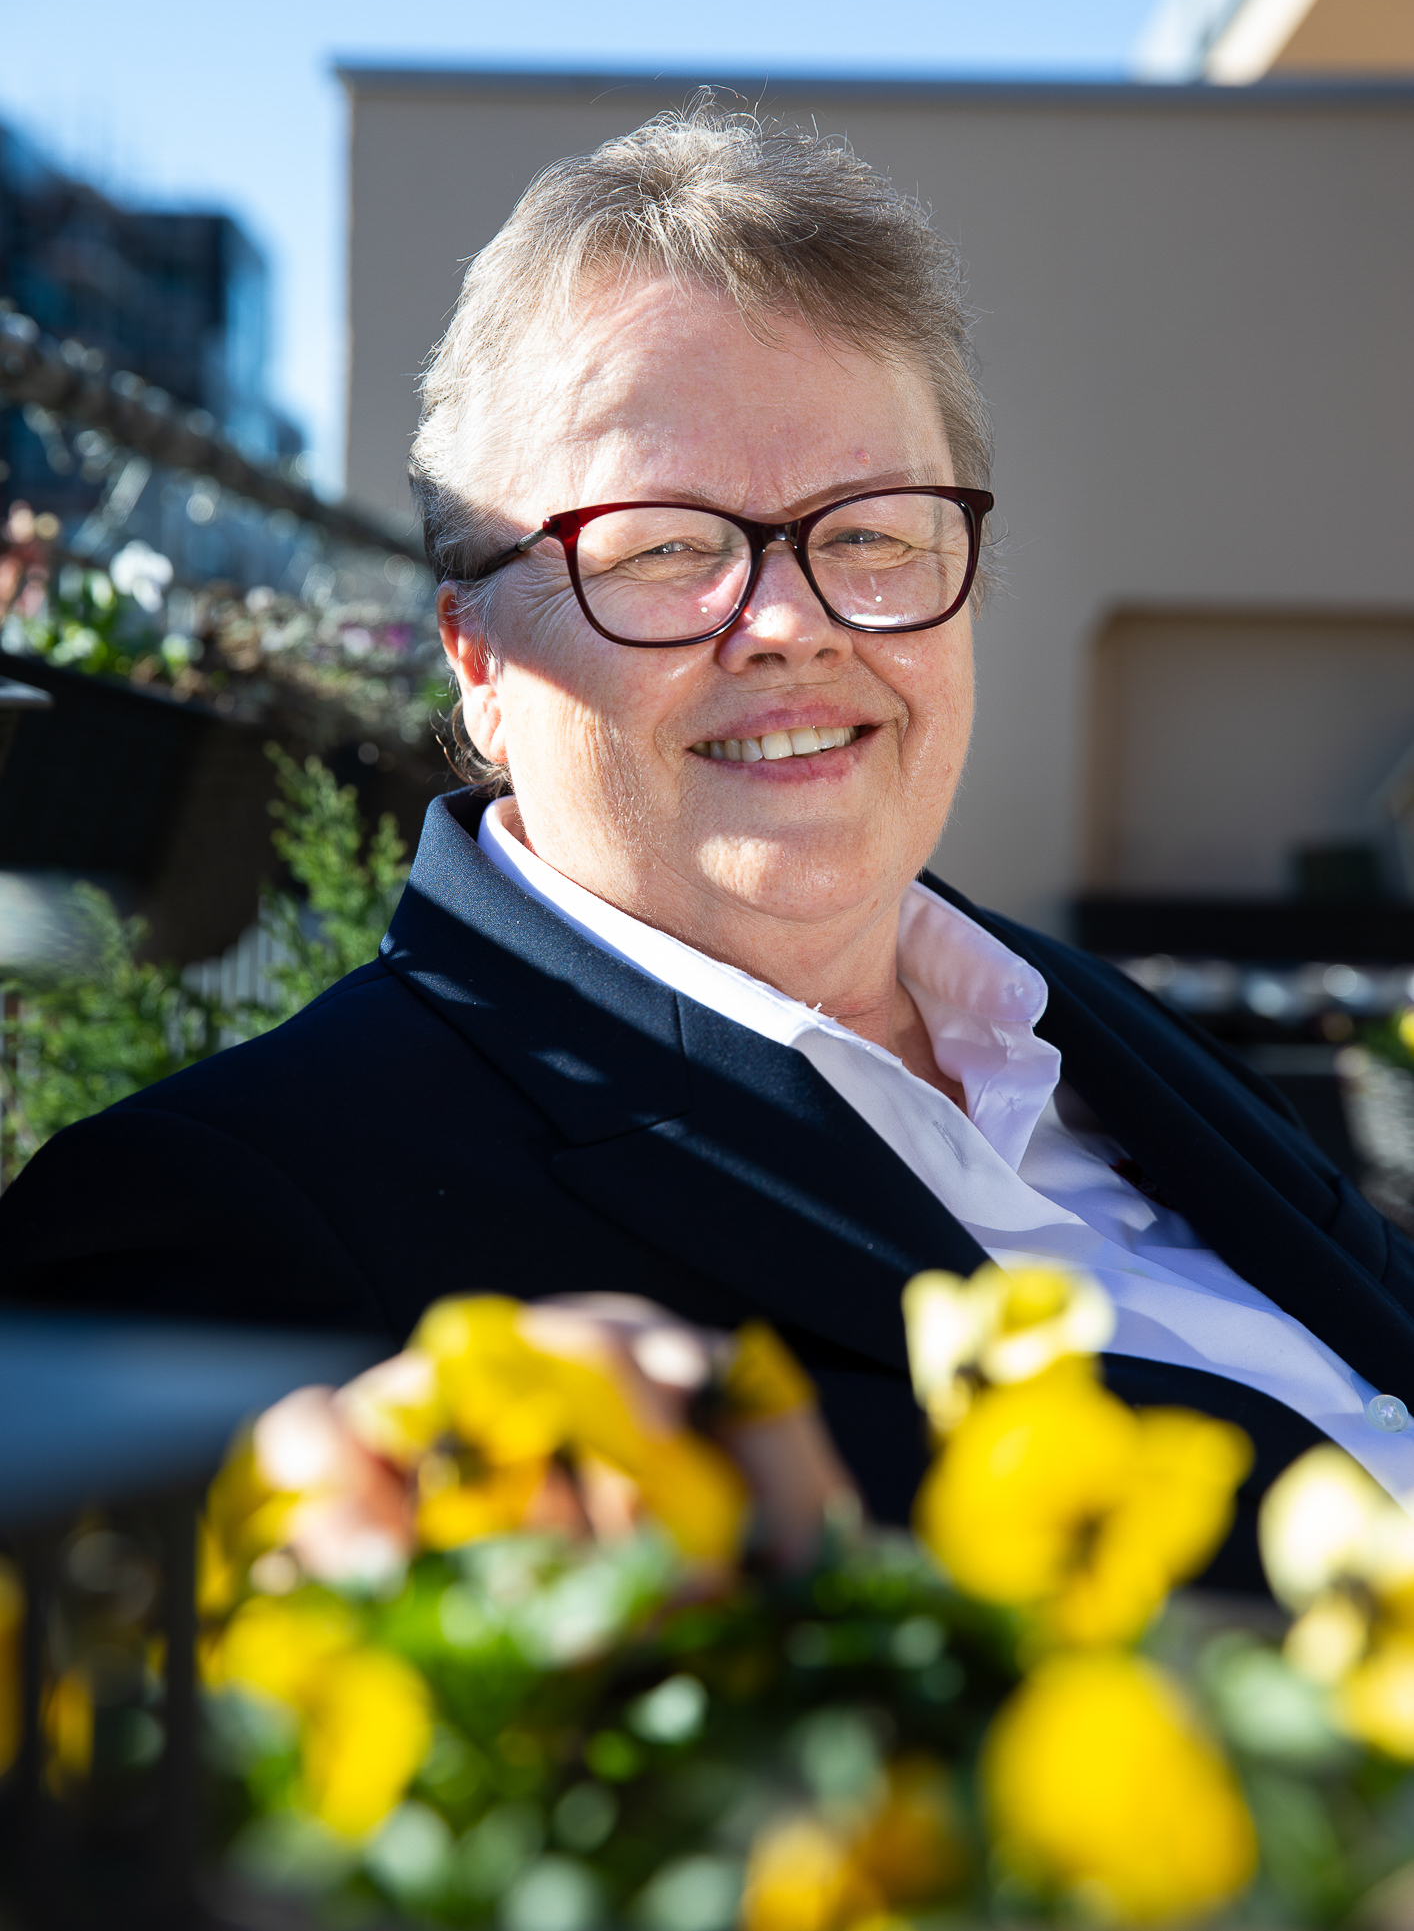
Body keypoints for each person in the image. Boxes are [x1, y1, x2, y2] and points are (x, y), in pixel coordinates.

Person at [4, 110, 1412, 1590]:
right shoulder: (226, 1226)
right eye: (664, 546)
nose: (791, 619)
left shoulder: (1078, 1027)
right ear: (473, 651)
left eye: (871, 531)